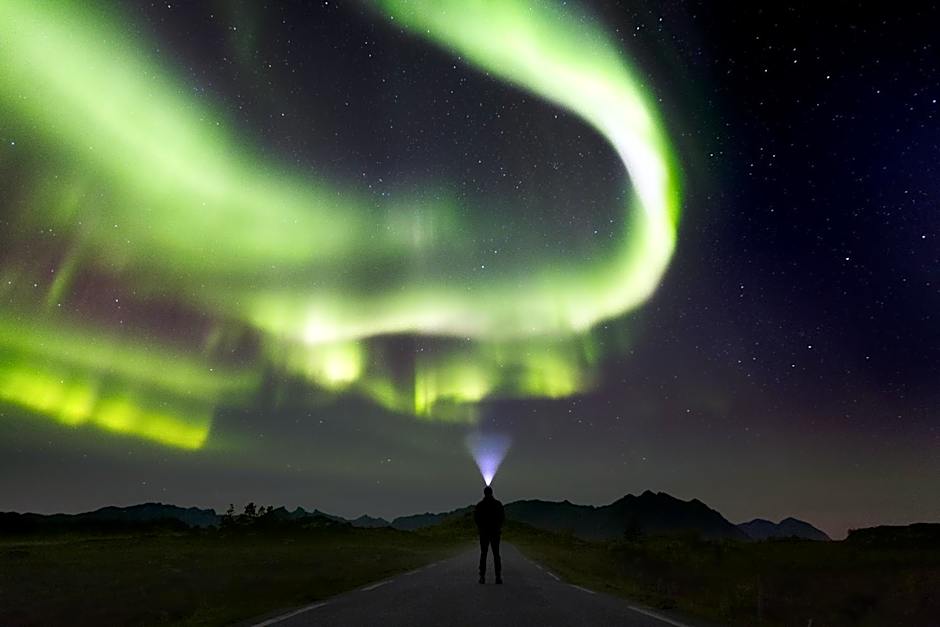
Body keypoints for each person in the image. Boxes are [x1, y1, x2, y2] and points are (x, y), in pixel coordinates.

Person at [474, 485, 504, 584]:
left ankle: (482, 577)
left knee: (483, 554)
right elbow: (502, 518)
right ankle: (498, 577)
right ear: (491, 492)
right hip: (495, 533)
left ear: (484, 493)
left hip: (484, 533)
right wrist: (498, 527)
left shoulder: (479, 505)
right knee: (496, 554)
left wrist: (481, 528)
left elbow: (476, 519)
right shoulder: (498, 504)